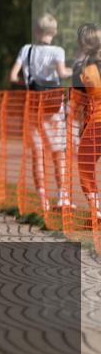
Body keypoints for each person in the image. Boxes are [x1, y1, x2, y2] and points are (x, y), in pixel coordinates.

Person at [9, 13, 72, 211]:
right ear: (54, 32)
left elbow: (13, 76)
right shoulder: (57, 51)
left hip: (32, 105)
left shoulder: (26, 50)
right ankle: (62, 196)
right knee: (57, 152)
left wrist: (29, 84)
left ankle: (43, 199)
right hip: (53, 107)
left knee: (37, 153)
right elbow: (62, 73)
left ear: (37, 30)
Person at [74, 24, 101, 220]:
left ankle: (97, 209)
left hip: (97, 123)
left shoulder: (82, 69)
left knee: (85, 164)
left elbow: (76, 102)